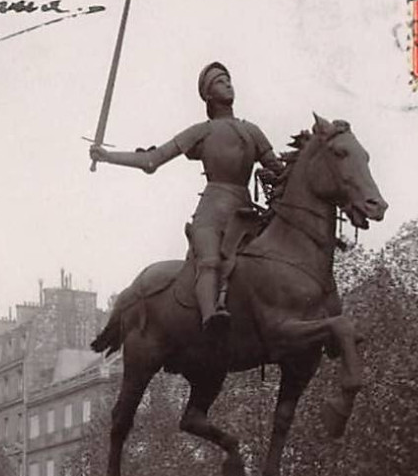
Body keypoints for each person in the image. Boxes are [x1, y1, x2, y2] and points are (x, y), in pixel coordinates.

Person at [89, 62, 284, 332]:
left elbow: (277, 168)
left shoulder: (252, 131)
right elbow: (152, 160)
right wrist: (109, 156)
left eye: (228, 80)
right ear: (208, 95)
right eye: (219, 81)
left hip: (245, 212)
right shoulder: (200, 131)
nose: (227, 84)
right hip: (212, 212)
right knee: (209, 262)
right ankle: (209, 319)